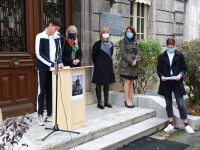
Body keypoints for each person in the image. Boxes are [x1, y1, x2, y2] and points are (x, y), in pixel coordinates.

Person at [157, 38, 194, 134]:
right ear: (166, 46)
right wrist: (161, 76)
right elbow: (159, 69)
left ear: (174, 46)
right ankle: (170, 124)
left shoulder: (180, 55)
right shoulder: (162, 56)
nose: (170, 49)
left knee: (181, 104)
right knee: (168, 104)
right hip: (166, 82)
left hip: (177, 82)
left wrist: (180, 75)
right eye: (169, 47)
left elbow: (184, 68)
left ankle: (186, 125)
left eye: (172, 47)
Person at [35, 17, 64, 126]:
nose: (56, 31)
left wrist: (60, 62)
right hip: (43, 69)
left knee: (51, 91)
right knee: (41, 92)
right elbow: (39, 54)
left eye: (57, 29)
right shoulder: (40, 36)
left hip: (53, 69)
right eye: (55, 29)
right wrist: (52, 64)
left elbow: (59, 51)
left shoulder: (56, 37)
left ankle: (50, 114)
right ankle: (40, 115)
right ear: (50, 26)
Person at [92, 27, 115, 109]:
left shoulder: (111, 44)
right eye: (104, 32)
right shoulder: (97, 44)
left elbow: (110, 55)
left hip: (108, 66)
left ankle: (106, 101)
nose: (106, 33)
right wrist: (98, 64)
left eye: (107, 32)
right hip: (99, 66)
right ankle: (99, 102)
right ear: (101, 34)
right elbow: (94, 56)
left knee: (106, 83)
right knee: (98, 83)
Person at [119, 26, 139, 108]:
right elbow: (123, 54)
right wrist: (131, 62)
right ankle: (127, 100)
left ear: (133, 33)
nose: (129, 33)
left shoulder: (135, 41)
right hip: (126, 65)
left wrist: (136, 60)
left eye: (130, 32)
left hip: (134, 65)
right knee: (127, 82)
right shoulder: (123, 41)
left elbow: (138, 52)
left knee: (131, 82)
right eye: (127, 31)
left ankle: (130, 99)